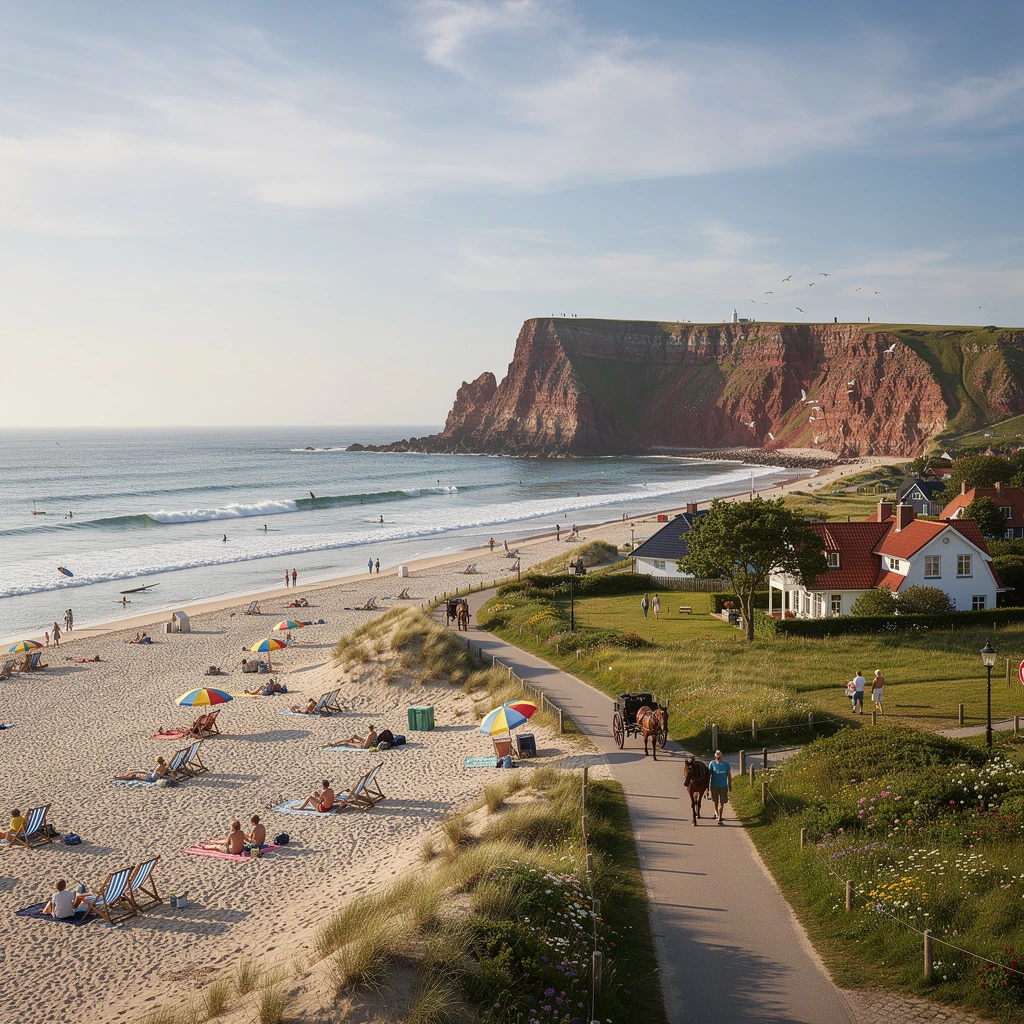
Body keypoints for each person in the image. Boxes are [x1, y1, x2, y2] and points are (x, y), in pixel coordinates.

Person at [708, 750, 732, 824]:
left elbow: (729, 775)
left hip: (723, 786)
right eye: (717, 757)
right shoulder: (712, 763)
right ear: (715, 757)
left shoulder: (726, 764)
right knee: (715, 800)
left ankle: (720, 816)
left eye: (719, 757)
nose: (718, 759)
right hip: (714, 785)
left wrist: (729, 784)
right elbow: (709, 774)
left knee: (722, 801)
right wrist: (707, 785)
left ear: (721, 757)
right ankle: (716, 813)